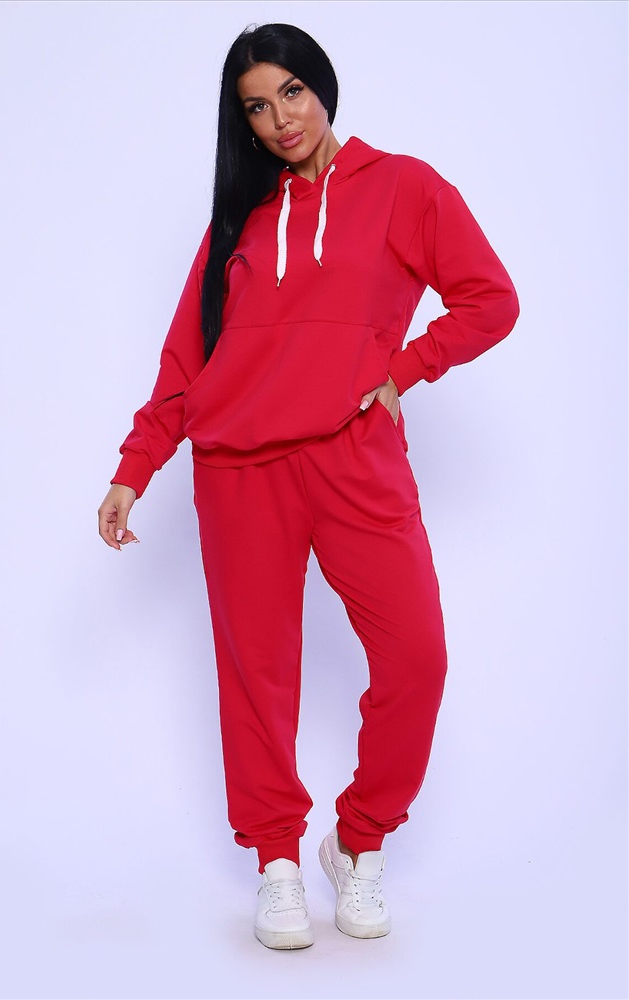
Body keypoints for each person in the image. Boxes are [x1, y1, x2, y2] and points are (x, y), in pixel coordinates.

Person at [98, 22, 519, 950]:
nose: (280, 118)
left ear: (321, 86)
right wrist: (135, 467)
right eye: (256, 106)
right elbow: (185, 361)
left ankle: (357, 842)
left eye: (290, 91)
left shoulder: (402, 186)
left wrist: (402, 371)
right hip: (238, 471)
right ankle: (277, 863)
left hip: (353, 457)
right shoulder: (239, 221)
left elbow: (491, 298)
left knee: (416, 659)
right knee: (257, 673)